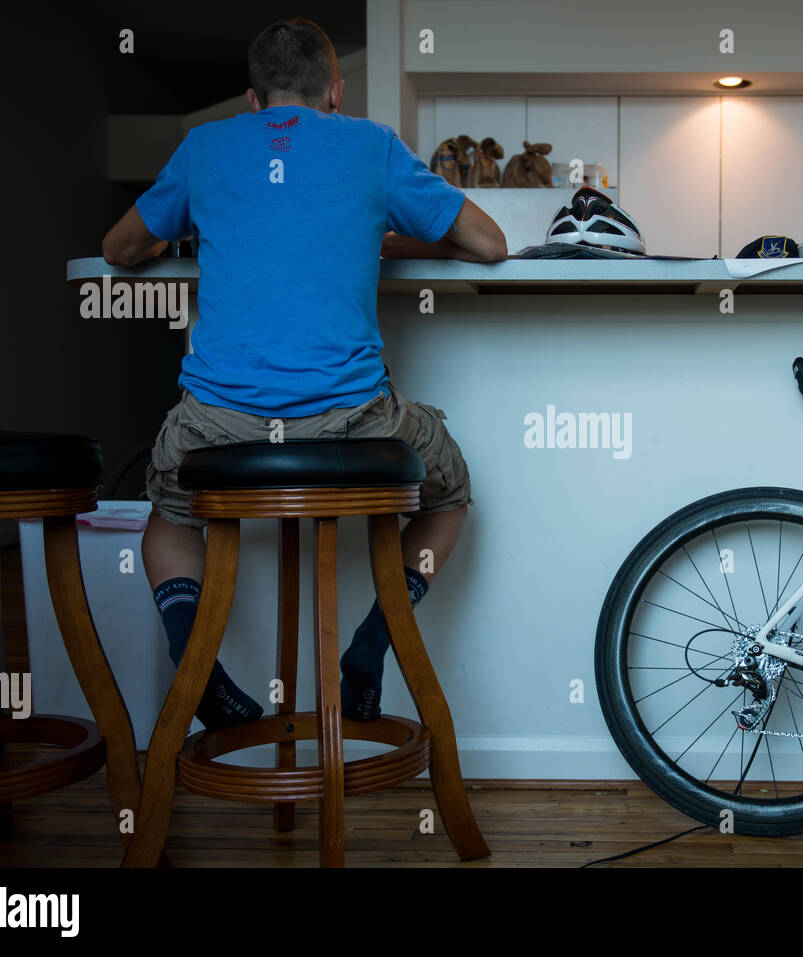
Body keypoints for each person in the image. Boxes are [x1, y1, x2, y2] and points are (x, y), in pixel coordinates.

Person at [101, 17, 506, 729]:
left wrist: (199, 222)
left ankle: (194, 662)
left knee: (167, 514)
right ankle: (370, 645)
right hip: (351, 424)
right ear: (336, 92)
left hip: (215, 428)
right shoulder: (370, 145)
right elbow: (489, 243)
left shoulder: (205, 147)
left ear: (252, 100)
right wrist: (376, 229)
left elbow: (121, 246)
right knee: (451, 495)